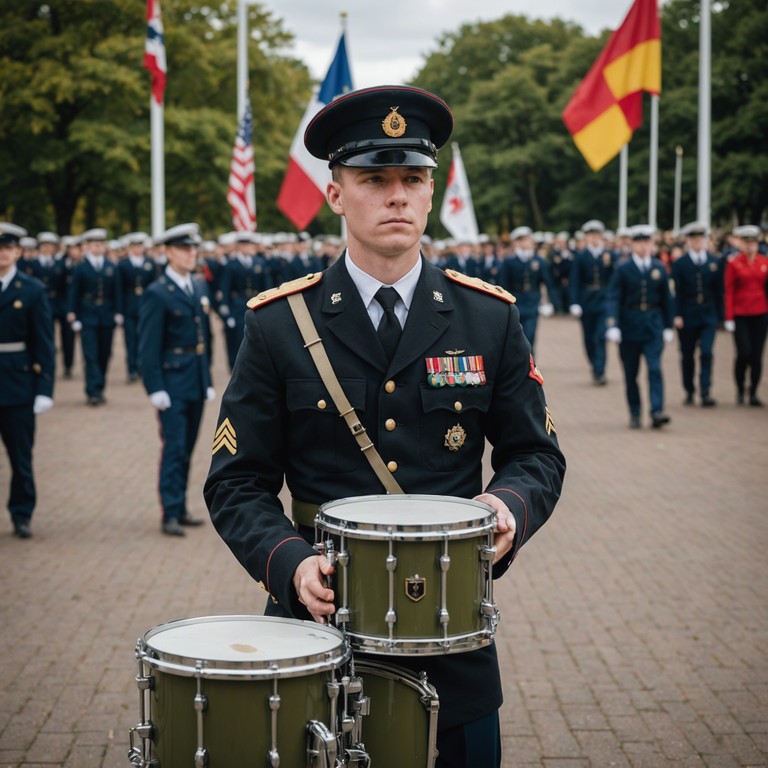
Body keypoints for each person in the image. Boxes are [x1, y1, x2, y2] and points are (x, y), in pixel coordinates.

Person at [204, 85, 566, 767]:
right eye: (375, 179)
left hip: (451, 635)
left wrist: (507, 508)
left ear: (431, 193)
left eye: (413, 178)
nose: (397, 195)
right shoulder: (280, 325)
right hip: (320, 624)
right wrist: (288, 564)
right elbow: (237, 482)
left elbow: (536, 455)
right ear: (337, 194)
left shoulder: (489, 318)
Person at [139, 223, 215, 536]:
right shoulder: (158, 292)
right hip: (171, 380)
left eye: (193, 249)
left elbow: (205, 337)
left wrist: (207, 377)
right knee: (174, 447)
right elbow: (148, 346)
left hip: (194, 377)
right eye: (184, 249)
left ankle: (181, 506)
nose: (190, 254)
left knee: (187, 447)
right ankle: (169, 510)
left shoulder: (197, 286)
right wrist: (154, 387)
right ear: (168, 252)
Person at [0, 223, 56, 539]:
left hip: (18, 384)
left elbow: (43, 341)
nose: (3, 253)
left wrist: (44, 388)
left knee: (21, 457)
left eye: (8, 247)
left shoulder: (31, 289)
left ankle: (22, 513)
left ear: (18, 251)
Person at [606, 225, 674, 429]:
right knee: (631, 373)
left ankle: (656, 411)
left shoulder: (659, 267)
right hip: (629, 326)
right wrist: (613, 324)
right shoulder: (623, 268)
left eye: (648, 242)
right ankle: (635, 412)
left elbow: (667, 299)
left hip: (653, 325)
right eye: (640, 242)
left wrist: (669, 325)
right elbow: (613, 297)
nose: (644, 246)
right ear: (633, 245)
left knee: (654, 368)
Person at [66, 228, 121, 405]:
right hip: (87, 313)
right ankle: (92, 391)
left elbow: (117, 292)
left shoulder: (111, 266)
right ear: (88, 246)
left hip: (106, 314)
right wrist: (72, 312)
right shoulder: (81, 267)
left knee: (105, 353)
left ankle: (100, 387)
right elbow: (73, 291)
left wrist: (119, 312)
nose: (98, 247)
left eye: (100, 244)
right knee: (90, 354)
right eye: (94, 244)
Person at [671, 221, 723, 406]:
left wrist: (721, 315)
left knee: (707, 352)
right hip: (688, 312)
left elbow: (719, 291)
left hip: (708, 312)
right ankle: (689, 390)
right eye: (695, 238)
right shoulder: (680, 263)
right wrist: (676, 315)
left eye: (701, 238)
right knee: (687, 354)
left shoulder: (714, 261)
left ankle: (706, 390)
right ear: (689, 241)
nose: (698, 241)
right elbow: (675, 292)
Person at [569, 219, 618, 385]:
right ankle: (593, 363)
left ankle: (600, 370)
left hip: (604, 299)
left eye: (596, 235)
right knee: (589, 337)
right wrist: (574, 302)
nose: (594, 238)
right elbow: (575, 280)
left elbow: (615, 279)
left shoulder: (610, 254)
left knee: (601, 336)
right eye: (590, 235)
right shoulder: (581, 256)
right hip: (587, 299)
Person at [723, 225, 768, 406]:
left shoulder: (764, 262)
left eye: (753, 243)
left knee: (757, 355)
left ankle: (754, 392)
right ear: (741, 244)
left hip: (760, 312)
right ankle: (741, 388)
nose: (750, 247)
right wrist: (729, 317)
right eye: (747, 243)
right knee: (744, 352)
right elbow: (729, 291)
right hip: (740, 313)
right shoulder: (734, 263)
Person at [500, 225, 555, 352]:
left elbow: (547, 282)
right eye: (524, 240)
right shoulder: (509, 261)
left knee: (530, 335)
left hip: (532, 302)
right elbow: (503, 284)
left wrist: (550, 303)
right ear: (517, 242)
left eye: (529, 239)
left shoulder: (538, 261)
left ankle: (530, 366)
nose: (529, 242)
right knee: (515, 336)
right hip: (514, 302)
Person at [116, 231, 158, 382]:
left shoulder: (150, 263)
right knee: (130, 338)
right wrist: (119, 311)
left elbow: (155, 286)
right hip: (129, 305)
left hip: (145, 305)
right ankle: (132, 368)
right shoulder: (123, 264)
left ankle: (142, 366)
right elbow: (118, 289)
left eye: (140, 246)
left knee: (144, 338)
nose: (137, 249)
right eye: (135, 246)